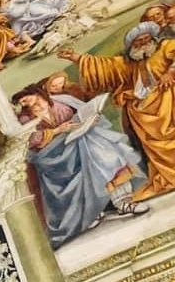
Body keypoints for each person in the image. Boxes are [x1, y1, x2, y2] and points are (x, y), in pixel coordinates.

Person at [14, 85, 146, 245]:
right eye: (22, 102)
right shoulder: (25, 118)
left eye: (25, 98)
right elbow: (31, 140)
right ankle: (92, 212)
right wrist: (57, 131)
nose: (25, 103)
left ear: (34, 93)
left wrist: (91, 121)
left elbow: (80, 116)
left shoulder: (59, 102)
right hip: (53, 155)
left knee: (99, 147)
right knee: (93, 145)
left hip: (77, 140)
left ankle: (124, 202)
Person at [60, 21, 175, 201]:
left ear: (153, 39)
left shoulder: (166, 47)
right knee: (139, 120)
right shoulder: (129, 63)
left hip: (168, 100)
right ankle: (169, 174)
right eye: (138, 42)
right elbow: (105, 66)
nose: (143, 43)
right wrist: (75, 57)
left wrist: (171, 71)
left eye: (146, 39)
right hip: (143, 111)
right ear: (132, 46)